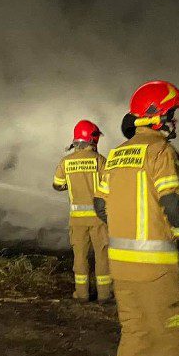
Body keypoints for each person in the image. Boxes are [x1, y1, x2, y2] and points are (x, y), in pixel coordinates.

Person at [94, 81, 179, 356]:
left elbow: (101, 207)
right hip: (154, 268)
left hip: (120, 264)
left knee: (136, 335)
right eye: (171, 113)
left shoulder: (117, 154)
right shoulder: (160, 151)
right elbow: (171, 203)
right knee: (175, 339)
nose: (174, 121)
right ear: (156, 116)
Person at [53, 120, 112, 302]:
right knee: (102, 255)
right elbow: (110, 185)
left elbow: (57, 185)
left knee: (80, 257)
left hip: (77, 219)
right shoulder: (100, 160)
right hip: (99, 218)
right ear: (93, 139)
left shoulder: (66, 162)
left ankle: (82, 293)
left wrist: (73, 184)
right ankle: (104, 294)